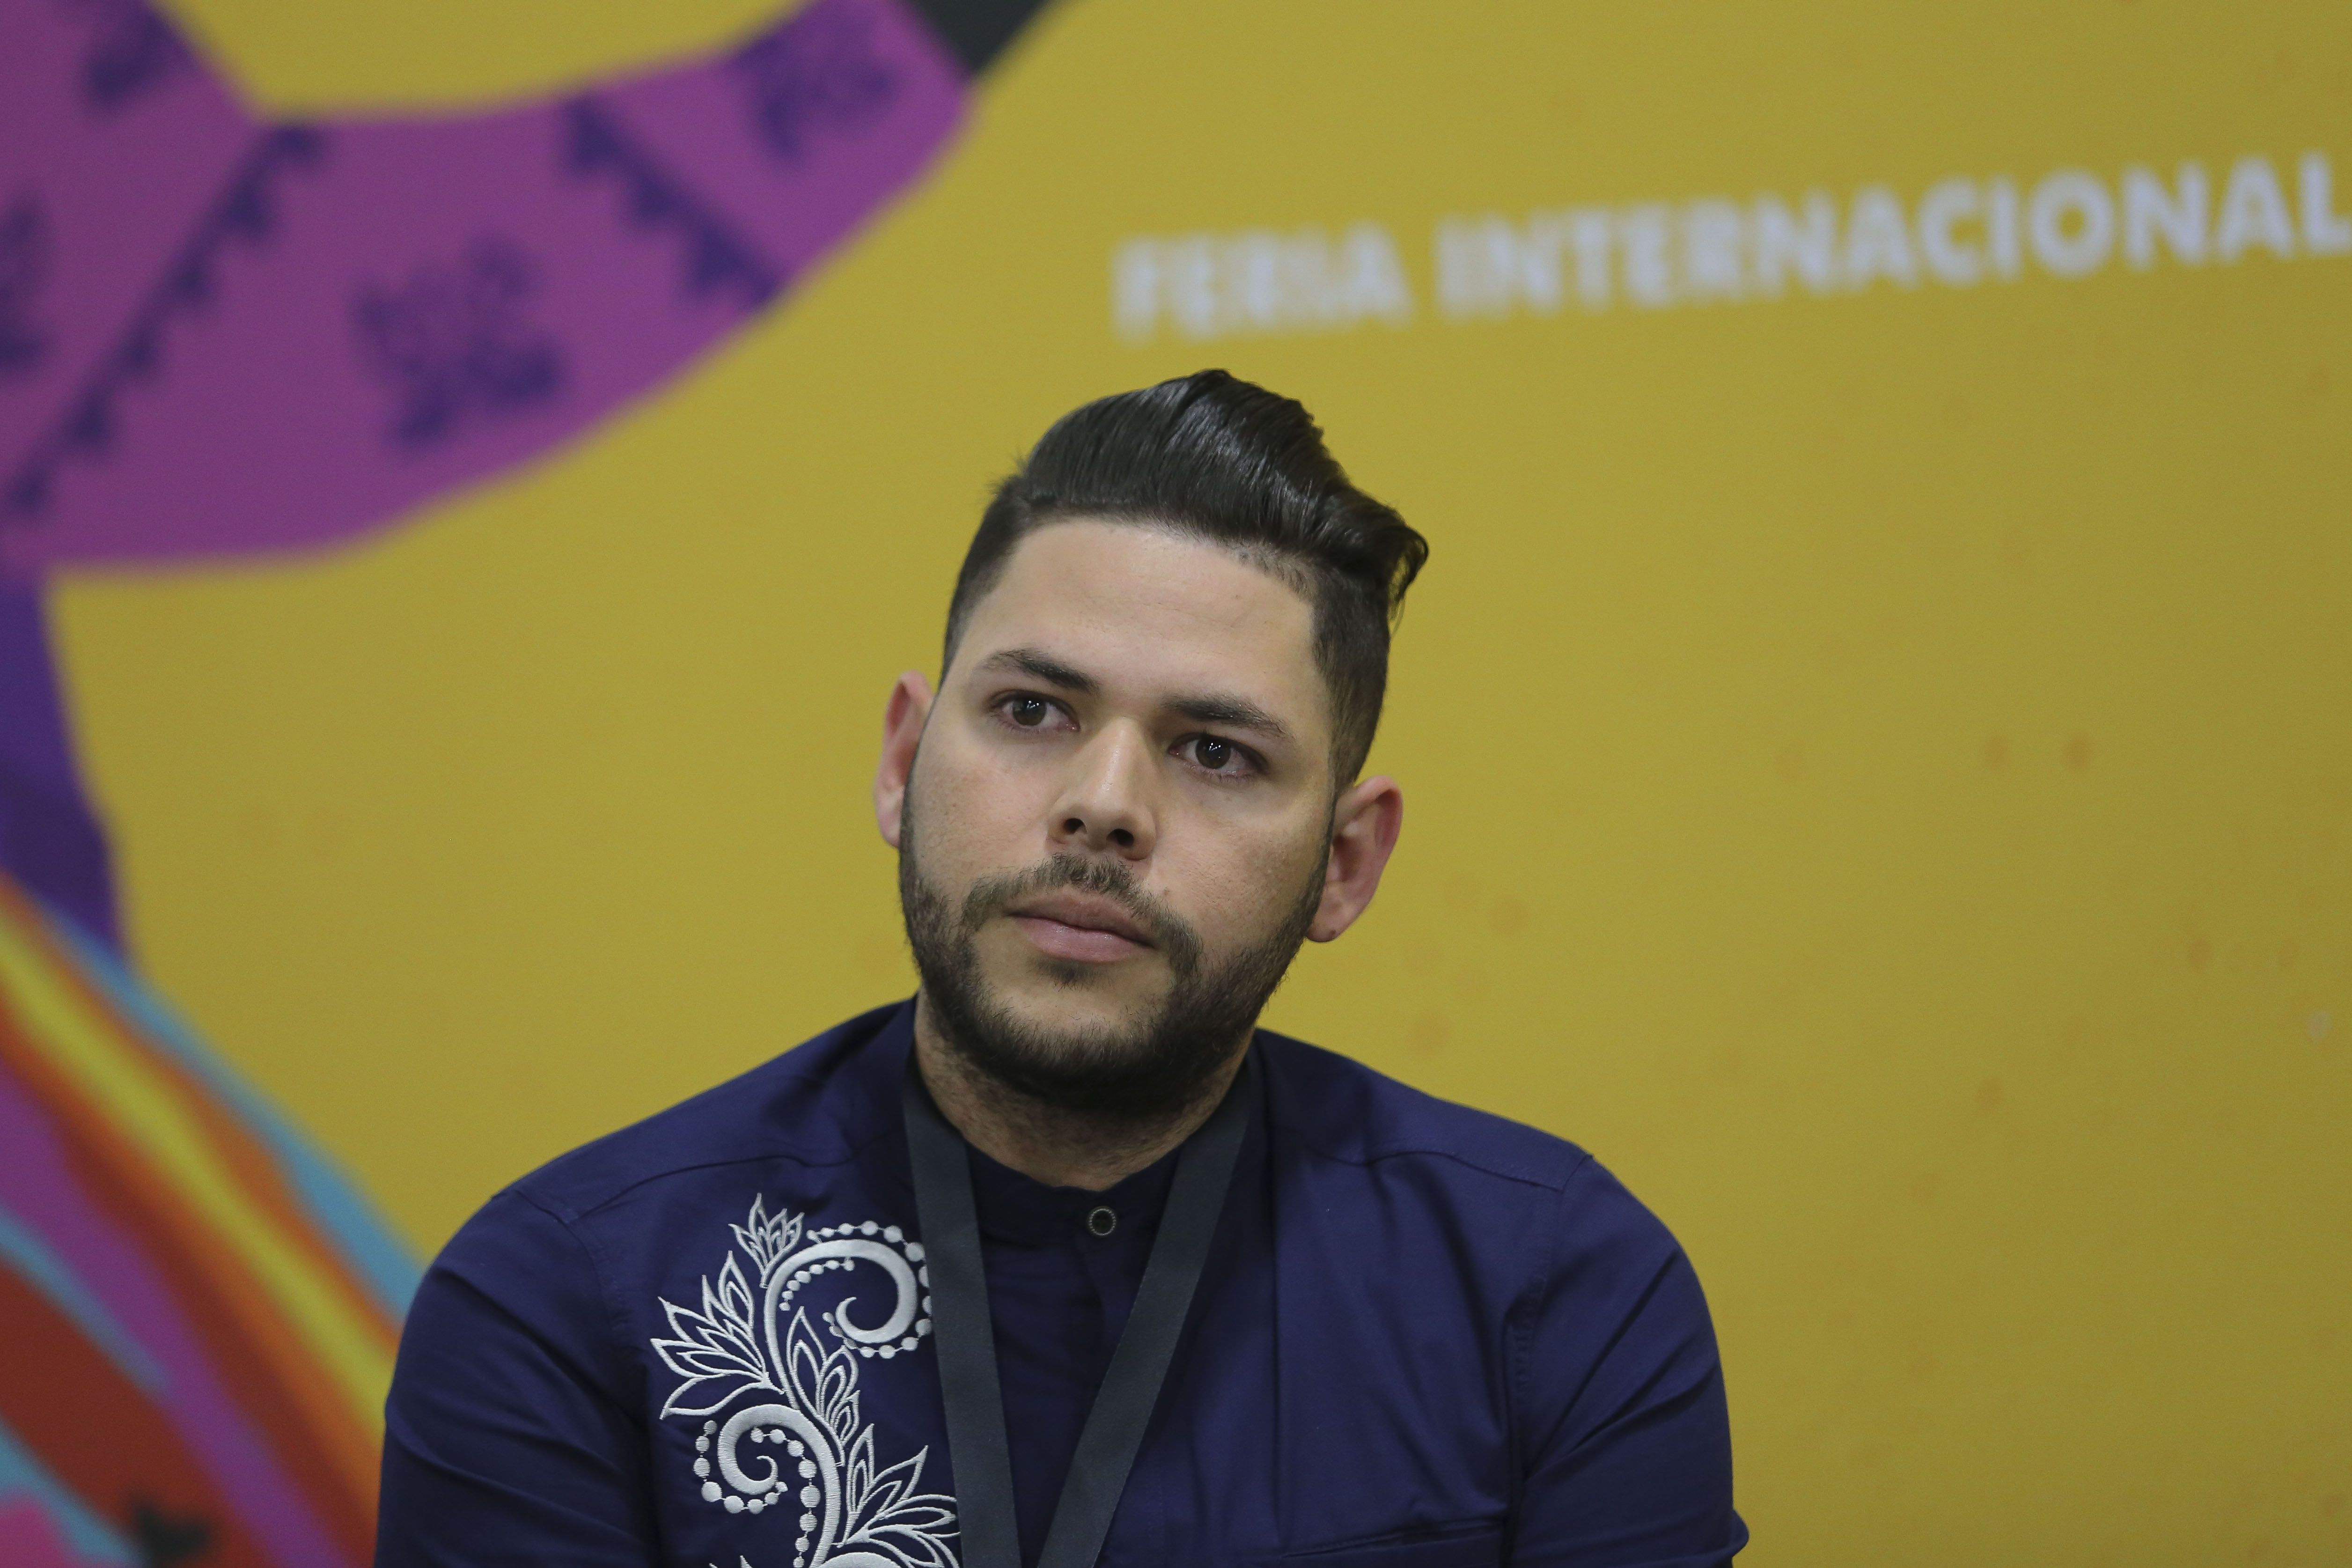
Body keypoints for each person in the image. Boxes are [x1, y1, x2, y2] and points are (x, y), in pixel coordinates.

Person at [375, 370, 1747, 1568]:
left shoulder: (1550, 1294)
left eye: (1216, 752)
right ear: (905, 762)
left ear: (1344, 863)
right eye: (1032, 711)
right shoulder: (568, 1301)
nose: (1103, 806)